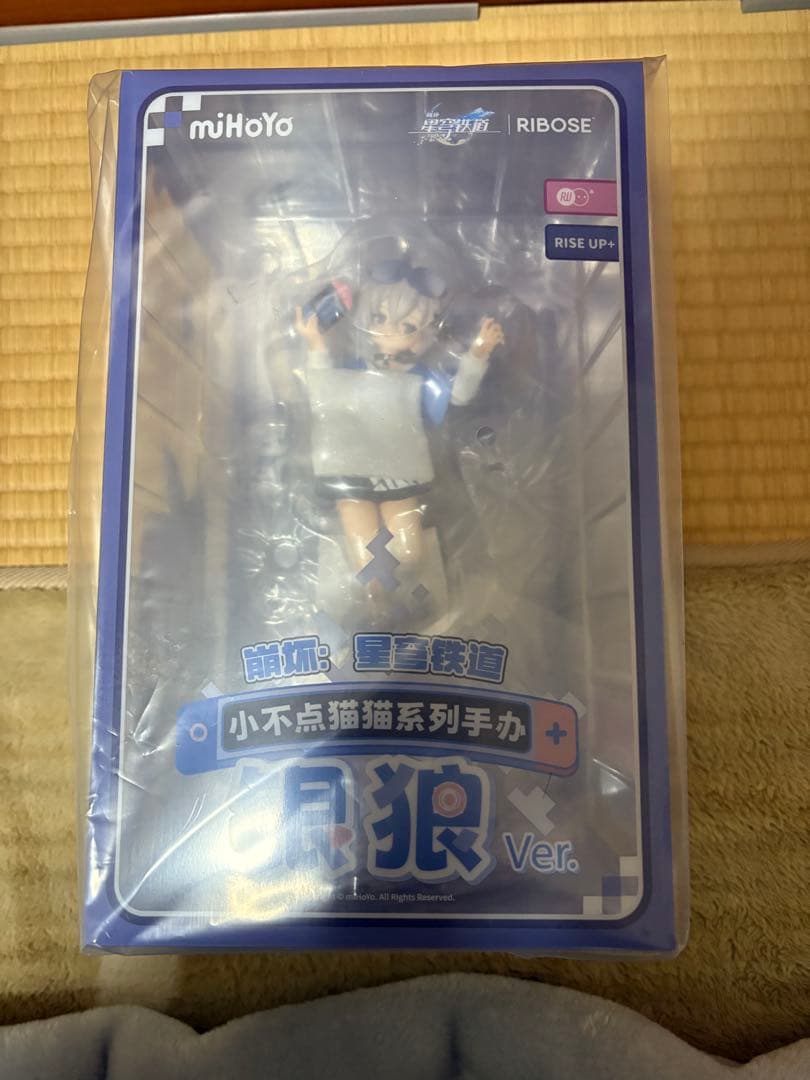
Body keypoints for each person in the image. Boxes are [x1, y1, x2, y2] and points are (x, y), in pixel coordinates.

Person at [295, 256, 504, 580]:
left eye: (406, 326)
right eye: (379, 317)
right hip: (350, 468)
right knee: (364, 551)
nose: (389, 329)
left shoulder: (420, 377)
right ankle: (374, 593)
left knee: (409, 551)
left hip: (400, 470)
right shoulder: (353, 369)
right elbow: (321, 392)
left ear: (422, 335)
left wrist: (476, 355)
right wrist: (316, 345)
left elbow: (458, 395)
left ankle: (397, 589)